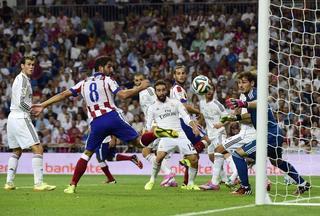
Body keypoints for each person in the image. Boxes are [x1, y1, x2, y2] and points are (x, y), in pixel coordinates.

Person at [31, 56, 175, 194]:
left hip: (96, 122)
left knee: (87, 154)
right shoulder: (108, 80)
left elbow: (63, 95)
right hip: (112, 117)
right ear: (101, 67)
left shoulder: (84, 82)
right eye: (109, 66)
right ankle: (157, 135)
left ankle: (72, 185)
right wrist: (140, 87)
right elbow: (123, 95)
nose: (111, 69)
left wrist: (43, 105)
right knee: (140, 143)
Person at [224, 71, 310, 195]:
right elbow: (251, 114)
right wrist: (234, 118)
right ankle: (302, 183)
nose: (240, 85)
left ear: (252, 83)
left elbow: (261, 103)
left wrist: (243, 103)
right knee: (276, 162)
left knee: (237, 155)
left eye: (244, 82)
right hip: (275, 134)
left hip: (268, 135)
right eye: (239, 83)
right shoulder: (249, 97)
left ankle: (245, 188)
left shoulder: (256, 93)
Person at [4, 56, 56, 191]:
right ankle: (39, 183)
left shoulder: (19, 79)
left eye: (33, 64)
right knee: (38, 148)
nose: (31, 66)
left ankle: (9, 182)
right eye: (28, 64)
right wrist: (33, 110)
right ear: (22, 66)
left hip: (12, 118)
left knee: (17, 150)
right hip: (21, 117)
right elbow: (21, 102)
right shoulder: (23, 80)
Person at [144, 80, 201, 191]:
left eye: (163, 90)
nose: (161, 92)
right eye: (158, 90)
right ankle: (151, 180)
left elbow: (186, 117)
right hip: (165, 136)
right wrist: (147, 134)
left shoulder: (175, 103)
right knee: (159, 157)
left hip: (180, 135)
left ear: (167, 90)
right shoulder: (152, 108)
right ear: (155, 92)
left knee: (194, 159)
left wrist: (193, 126)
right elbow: (148, 125)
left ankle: (191, 184)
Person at [134, 73, 178, 187]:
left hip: (156, 123)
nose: (138, 82)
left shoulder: (149, 90)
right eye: (136, 80)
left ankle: (168, 173)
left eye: (141, 80)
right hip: (152, 123)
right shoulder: (140, 92)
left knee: (146, 152)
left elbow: (157, 103)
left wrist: (152, 125)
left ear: (146, 81)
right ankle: (170, 179)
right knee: (159, 153)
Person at [170, 64, 209, 187]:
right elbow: (184, 106)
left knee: (193, 154)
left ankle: (187, 183)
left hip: (181, 121)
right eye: (178, 73)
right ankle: (186, 161)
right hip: (183, 122)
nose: (181, 75)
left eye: (183, 73)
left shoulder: (176, 89)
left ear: (186, 75)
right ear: (174, 75)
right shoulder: (178, 89)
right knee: (207, 140)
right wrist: (198, 112)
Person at [197, 85, 229, 190]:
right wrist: (198, 124)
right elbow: (203, 117)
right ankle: (224, 178)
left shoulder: (217, 105)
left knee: (224, 155)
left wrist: (221, 124)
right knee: (212, 157)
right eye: (207, 89)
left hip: (219, 133)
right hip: (210, 135)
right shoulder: (201, 103)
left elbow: (227, 118)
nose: (209, 91)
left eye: (211, 89)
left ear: (214, 91)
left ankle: (233, 176)